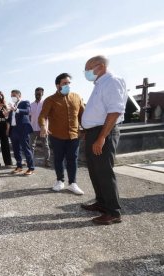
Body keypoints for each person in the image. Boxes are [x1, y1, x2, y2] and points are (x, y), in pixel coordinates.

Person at [81, 55, 128, 225]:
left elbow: (114, 111)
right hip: (94, 132)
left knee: (104, 172)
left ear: (99, 66)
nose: (86, 72)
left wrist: (101, 137)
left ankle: (113, 212)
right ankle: (102, 202)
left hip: (104, 132)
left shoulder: (112, 81)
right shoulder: (100, 83)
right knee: (95, 171)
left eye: (88, 68)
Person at [38, 73, 85, 195]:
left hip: (74, 135)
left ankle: (73, 183)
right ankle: (60, 181)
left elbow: (83, 116)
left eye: (69, 83)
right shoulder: (50, 100)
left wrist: (86, 129)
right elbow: (42, 116)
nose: (67, 85)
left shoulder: (77, 97)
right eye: (64, 83)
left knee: (72, 159)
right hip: (57, 136)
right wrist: (43, 126)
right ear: (57, 85)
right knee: (58, 159)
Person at [7, 89, 35, 175]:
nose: (13, 97)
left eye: (14, 95)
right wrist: (6, 116)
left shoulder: (25, 102)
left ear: (19, 95)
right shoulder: (12, 106)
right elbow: (11, 119)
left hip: (23, 129)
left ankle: (31, 168)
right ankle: (19, 166)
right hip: (14, 130)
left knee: (26, 149)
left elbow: (27, 111)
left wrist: (16, 109)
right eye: (12, 95)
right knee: (16, 149)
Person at [29, 87, 50, 167]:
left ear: (42, 94)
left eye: (39, 93)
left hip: (43, 129)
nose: (38, 95)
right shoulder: (31, 105)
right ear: (34, 94)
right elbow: (29, 116)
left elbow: (48, 117)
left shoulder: (45, 104)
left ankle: (47, 162)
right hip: (33, 128)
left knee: (45, 146)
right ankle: (30, 162)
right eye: (36, 93)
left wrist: (46, 128)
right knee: (31, 146)